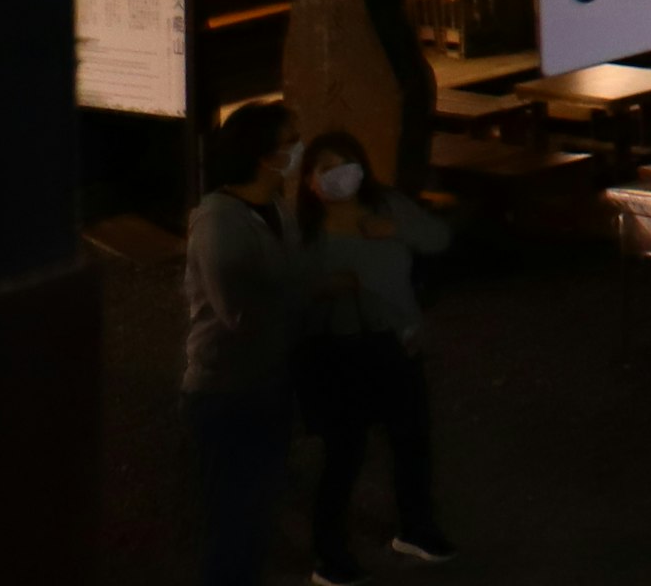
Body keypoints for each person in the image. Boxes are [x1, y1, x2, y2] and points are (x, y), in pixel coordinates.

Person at [290, 127, 458, 578]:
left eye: (347, 164)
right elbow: (286, 295)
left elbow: (438, 238)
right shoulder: (303, 231)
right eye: (326, 168)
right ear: (309, 180)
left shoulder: (386, 208)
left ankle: (416, 527)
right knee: (345, 453)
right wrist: (323, 290)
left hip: (397, 344)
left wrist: (397, 229)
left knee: (412, 440)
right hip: (338, 353)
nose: (340, 175)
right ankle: (330, 553)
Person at [184, 102, 301, 586]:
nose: (298, 150)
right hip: (225, 389)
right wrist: (315, 297)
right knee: (233, 521)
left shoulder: (275, 206)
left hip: (268, 380)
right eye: (289, 142)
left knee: (256, 514)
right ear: (263, 156)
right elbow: (240, 313)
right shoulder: (220, 223)